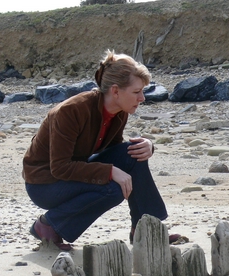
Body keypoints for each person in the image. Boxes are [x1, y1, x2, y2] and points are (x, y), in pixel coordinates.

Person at [22, 50, 177, 250]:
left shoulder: (119, 112)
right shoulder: (70, 111)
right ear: (115, 91)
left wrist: (147, 147)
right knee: (112, 190)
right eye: (137, 92)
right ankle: (48, 225)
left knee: (133, 152)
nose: (142, 98)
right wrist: (110, 171)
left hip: (73, 172)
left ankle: (146, 228)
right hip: (45, 184)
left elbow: (118, 151)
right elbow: (60, 168)